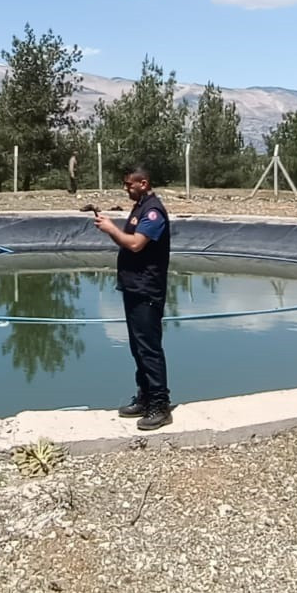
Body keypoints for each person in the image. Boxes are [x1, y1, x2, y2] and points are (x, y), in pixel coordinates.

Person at [90, 166, 173, 431]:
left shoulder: (153, 211)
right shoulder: (139, 206)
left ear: (144, 183)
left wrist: (110, 229)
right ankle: (145, 396)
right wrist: (112, 229)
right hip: (134, 288)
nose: (126, 188)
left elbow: (136, 244)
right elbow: (130, 242)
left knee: (149, 348)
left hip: (147, 290)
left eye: (129, 184)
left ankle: (160, 404)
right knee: (138, 347)